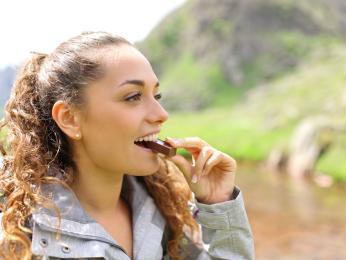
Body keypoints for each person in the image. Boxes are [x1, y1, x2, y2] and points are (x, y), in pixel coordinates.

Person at [0, 31, 254, 260]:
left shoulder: (168, 214)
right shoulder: (17, 236)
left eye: (157, 96)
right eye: (133, 97)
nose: (161, 114)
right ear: (70, 119)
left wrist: (219, 206)